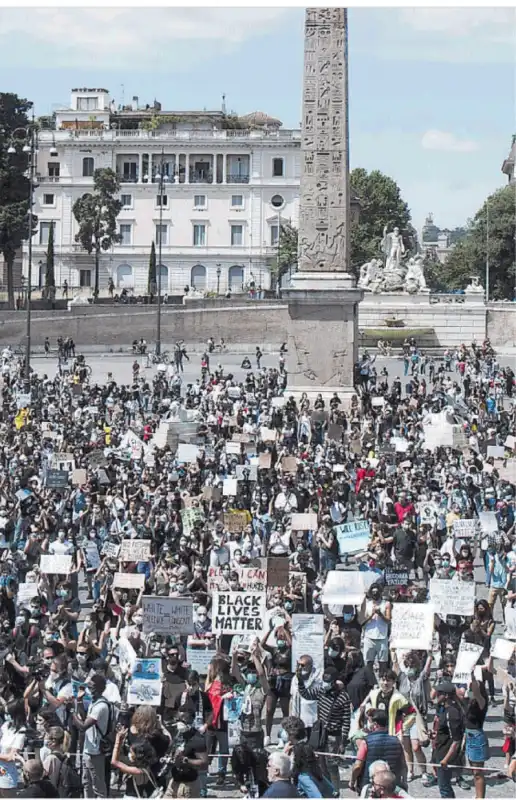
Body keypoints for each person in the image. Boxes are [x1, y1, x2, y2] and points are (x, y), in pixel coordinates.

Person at [70, 674, 113, 798]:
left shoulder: (101, 706)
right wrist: (79, 701)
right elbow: (84, 717)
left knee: (98, 786)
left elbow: (83, 726)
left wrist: (72, 712)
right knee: (86, 783)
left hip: (96, 751)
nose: (90, 690)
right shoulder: (94, 703)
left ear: (100, 688)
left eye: (92, 687)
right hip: (88, 749)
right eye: (89, 687)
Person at [350, 710, 406, 793]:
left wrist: (352, 781)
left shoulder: (366, 742)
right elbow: (403, 765)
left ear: (375, 724)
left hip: (371, 786)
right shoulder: (397, 741)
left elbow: (357, 766)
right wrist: (403, 782)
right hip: (392, 785)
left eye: (370, 722)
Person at [430, 679, 465, 798]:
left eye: (439, 693)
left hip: (445, 754)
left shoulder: (452, 712)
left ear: (445, 696)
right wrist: (435, 735)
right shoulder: (443, 709)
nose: (436, 695)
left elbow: (456, 739)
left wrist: (445, 759)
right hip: (440, 749)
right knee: (443, 786)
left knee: (445, 788)